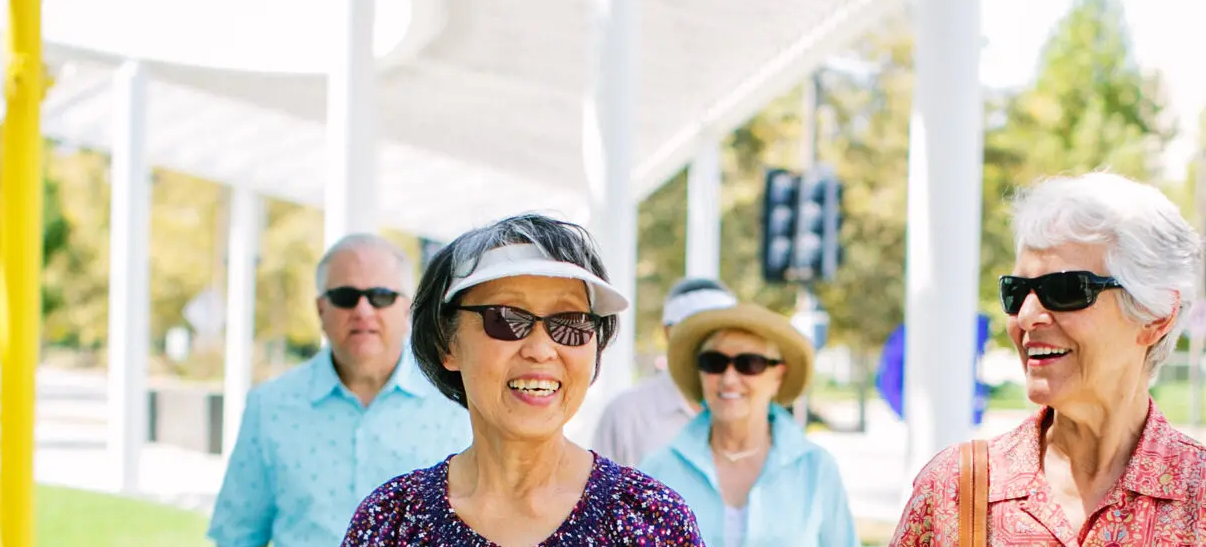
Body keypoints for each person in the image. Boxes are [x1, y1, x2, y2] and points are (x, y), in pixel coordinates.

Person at [890, 173, 1206, 546]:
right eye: (1017, 291)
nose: (1027, 316)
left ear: (1155, 317)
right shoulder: (955, 492)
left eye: (1065, 289)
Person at [346, 213, 702, 546]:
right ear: (446, 342)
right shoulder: (391, 524)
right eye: (505, 318)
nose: (542, 350)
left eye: (571, 321)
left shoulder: (652, 522)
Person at [208, 234, 472, 547]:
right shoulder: (269, 406)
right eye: (346, 296)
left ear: (406, 309)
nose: (363, 310)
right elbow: (237, 536)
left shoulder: (459, 401)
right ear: (321, 310)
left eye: (381, 295)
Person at [639, 303, 855, 547]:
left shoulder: (816, 469)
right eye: (714, 362)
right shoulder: (656, 471)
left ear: (778, 376)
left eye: (750, 363)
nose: (729, 379)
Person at [592, 277, 740, 465]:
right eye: (697, 329)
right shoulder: (627, 413)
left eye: (724, 331)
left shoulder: (750, 408)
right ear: (668, 332)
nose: (712, 342)